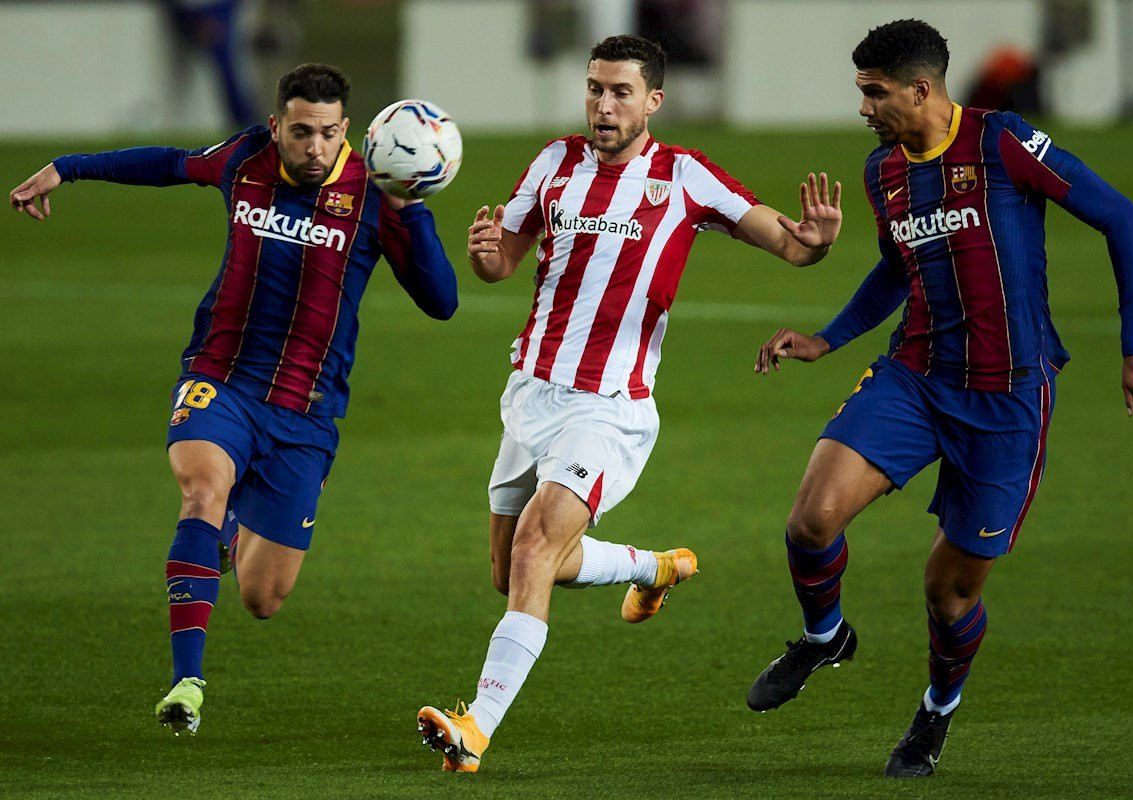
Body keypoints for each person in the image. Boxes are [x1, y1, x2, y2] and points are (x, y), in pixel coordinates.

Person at [746, 19, 1133, 778]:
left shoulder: (1003, 141)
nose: (864, 110)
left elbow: (1121, 218)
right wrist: (828, 337)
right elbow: (894, 268)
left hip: (1008, 400)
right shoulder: (883, 171)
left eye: (874, 94)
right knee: (811, 520)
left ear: (921, 89)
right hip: (915, 376)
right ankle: (824, 638)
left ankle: (935, 714)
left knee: (947, 592)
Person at [414, 34, 842, 773]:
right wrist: (486, 251)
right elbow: (501, 261)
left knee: (534, 550)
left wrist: (816, 243)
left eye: (619, 92)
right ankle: (653, 568)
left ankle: (475, 727)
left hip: (608, 406)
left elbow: (788, 241)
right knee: (513, 570)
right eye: (594, 89)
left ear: (653, 102)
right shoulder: (552, 164)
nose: (603, 105)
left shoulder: (685, 177)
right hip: (531, 395)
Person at [9, 63, 458, 735]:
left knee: (263, 597)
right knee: (200, 490)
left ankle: (229, 524)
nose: (313, 148)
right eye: (300, 132)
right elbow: (169, 162)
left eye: (329, 134)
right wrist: (68, 168)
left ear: (349, 131)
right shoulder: (246, 157)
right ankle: (186, 681)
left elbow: (442, 302)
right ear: (277, 125)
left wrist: (413, 209)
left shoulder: (373, 194)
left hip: (305, 413)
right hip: (220, 378)